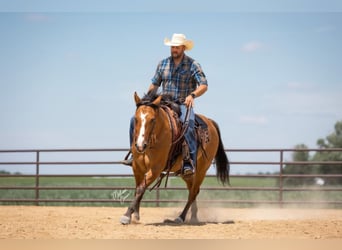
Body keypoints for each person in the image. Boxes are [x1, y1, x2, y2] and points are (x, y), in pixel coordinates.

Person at [122, 33, 208, 176]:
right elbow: (155, 84)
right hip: (163, 103)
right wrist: (147, 100)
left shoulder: (193, 65)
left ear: (183, 48)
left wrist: (192, 95)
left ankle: (189, 162)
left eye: (177, 47)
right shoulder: (163, 64)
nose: (174, 49)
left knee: (189, 124)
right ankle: (135, 153)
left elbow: (204, 85)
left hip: (182, 104)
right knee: (134, 120)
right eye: (172, 47)